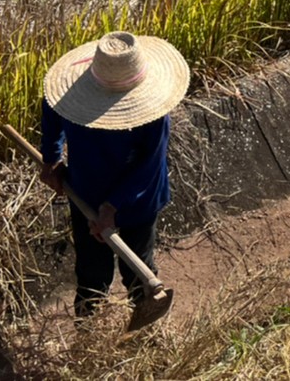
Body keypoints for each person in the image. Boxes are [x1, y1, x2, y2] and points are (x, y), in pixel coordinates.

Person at [39, 31, 189, 317]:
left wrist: (112, 206)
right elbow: (51, 105)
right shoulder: (71, 97)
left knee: (138, 269)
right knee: (92, 275)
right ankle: (89, 330)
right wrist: (51, 157)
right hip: (87, 190)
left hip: (139, 196)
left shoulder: (153, 113)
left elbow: (149, 165)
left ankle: (146, 326)